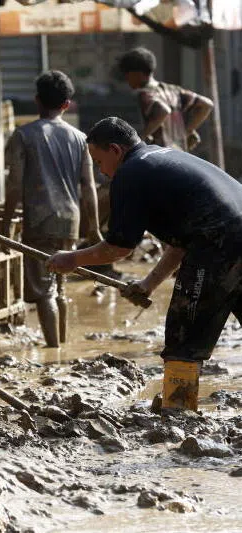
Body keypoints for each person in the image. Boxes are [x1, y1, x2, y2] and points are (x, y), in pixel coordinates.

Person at [47, 116, 242, 411]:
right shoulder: (162, 157)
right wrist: (149, 283)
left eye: (99, 162)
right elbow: (181, 242)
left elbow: (117, 248)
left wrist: (71, 259)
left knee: (183, 337)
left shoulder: (131, 173)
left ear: (115, 150)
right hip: (228, 235)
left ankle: (178, 415)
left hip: (220, 244)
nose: (102, 172)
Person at [3, 70, 102, 347]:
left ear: (36, 101)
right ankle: (61, 345)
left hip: (40, 220)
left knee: (45, 289)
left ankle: (53, 350)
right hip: (71, 219)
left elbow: (14, 186)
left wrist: (5, 223)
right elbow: (89, 186)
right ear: (66, 105)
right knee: (60, 286)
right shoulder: (81, 138)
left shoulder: (23, 135)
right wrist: (93, 228)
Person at [118, 47, 213, 152]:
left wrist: (142, 136)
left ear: (137, 73)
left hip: (161, 155)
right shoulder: (174, 90)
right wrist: (188, 130)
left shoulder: (145, 93)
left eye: (127, 75)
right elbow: (207, 104)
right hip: (181, 153)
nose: (127, 80)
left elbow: (163, 111)